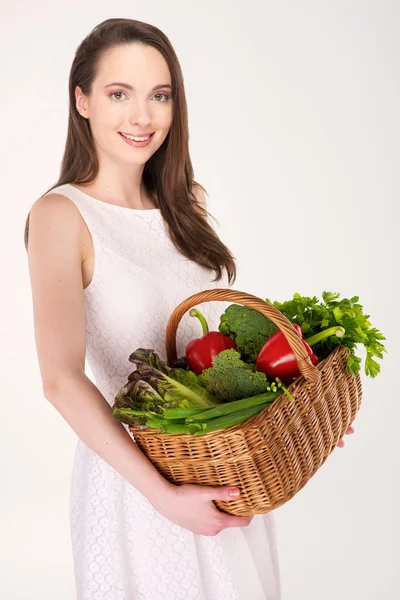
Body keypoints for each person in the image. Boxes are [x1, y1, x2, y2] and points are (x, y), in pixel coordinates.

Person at [25, 17, 353, 600]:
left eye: (160, 95)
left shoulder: (186, 203)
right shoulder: (61, 215)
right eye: (119, 94)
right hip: (137, 488)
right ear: (82, 100)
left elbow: (212, 355)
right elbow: (59, 379)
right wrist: (163, 495)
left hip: (219, 467)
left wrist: (299, 414)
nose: (142, 116)